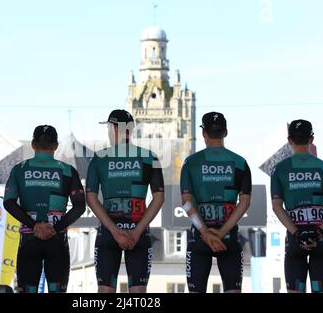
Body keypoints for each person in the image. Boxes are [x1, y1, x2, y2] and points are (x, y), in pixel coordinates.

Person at [86, 109, 165, 293]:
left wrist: (114, 230)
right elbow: (159, 198)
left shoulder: (99, 158)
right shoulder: (149, 157)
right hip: (139, 233)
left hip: (108, 233)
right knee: (138, 293)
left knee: (105, 291)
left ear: (113, 128)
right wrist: (137, 232)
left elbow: (90, 198)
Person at [3, 125, 86, 293]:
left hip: (29, 239)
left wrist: (33, 226)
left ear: (33, 144)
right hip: (57, 240)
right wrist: (54, 229)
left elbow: (9, 203)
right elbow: (80, 206)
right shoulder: (68, 171)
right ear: (55, 145)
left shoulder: (19, 169)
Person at [180, 112, 251, 293]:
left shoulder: (190, 163)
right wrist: (220, 233)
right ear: (225, 133)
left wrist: (206, 233)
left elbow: (187, 204)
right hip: (229, 239)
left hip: (199, 238)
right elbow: (244, 204)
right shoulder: (240, 163)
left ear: (204, 133)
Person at [271, 119, 323, 293]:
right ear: (311, 139)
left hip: (295, 239)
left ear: (289, 140)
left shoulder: (279, 169)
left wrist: (296, 232)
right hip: (320, 239)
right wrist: (319, 232)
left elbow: (276, 206)